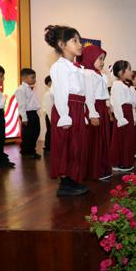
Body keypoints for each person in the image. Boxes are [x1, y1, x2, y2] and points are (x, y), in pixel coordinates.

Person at [45, 25, 89, 197]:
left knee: (76, 146)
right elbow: (61, 92)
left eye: (80, 41)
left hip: (76, 108)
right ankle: (65, 184)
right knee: (65, 146)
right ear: (62, 44)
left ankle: (73, 178)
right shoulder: (60, 67)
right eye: (74, 41)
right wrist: (64, 116)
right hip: (67, 108)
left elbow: (82, 93)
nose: (80, 44)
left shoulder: (76, 67)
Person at [80, 45, 112, 182]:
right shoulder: (88, 73)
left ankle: (102, 167)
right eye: (100, 58)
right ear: (90, 57)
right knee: (95, 141)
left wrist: (108, 108)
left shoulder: (98, 74)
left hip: (101, 108)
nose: (102, 62)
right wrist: (92, 114)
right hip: (95, 108)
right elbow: (89, 96)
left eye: (103, 59)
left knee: (102, 139)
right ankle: (95, 170)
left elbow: (104, 94)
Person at [109, 60, 135, 172]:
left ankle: (126, 161)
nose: (131, 72)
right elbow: (116, 103)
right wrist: (120, 118)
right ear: (121, 72)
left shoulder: (125, 85)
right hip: (123, 114)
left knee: (127, 138)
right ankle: (120, 162)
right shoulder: (117, 85)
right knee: (122, 138)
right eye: (129, 69)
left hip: (127, 112)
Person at [15, 68, 41, 159]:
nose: (35, 79)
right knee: (28, 134)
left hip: (33, 113)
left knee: (35, 132)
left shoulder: (30, 89)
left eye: (35, 77)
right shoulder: (21, 89)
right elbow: (22, 105)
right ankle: (26, 152)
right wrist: (24, 118)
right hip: (27, 114)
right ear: (24, 78)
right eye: (32, 77)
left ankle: (32, 150)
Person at [42, 76, 53, 154]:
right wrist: (51, 118)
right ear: (49, 83)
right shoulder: (48, 94)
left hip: (52, 115)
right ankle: (48, 147)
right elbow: (48, 107)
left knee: (51, 131)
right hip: (49, 115)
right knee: (50, 131)